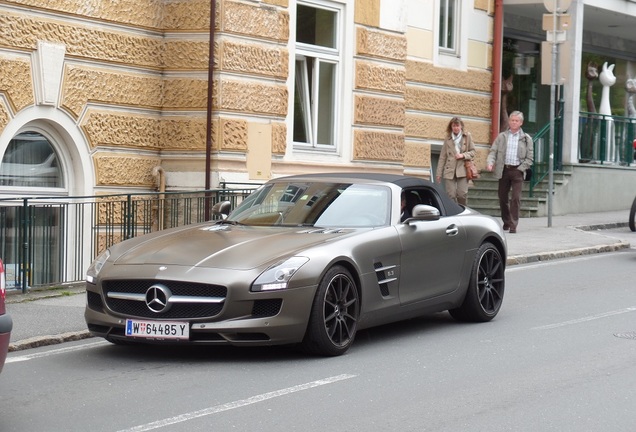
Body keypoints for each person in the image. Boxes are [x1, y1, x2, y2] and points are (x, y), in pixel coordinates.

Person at [486, 110, 534, 233]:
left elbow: (530, 158)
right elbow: (493, 151)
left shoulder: (526, 139)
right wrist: (490, 162)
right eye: (512, 120)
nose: (514, 122)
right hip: (504, 170)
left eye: (516, 121)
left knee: (516, 198)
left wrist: (521, 168)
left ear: (521, 123)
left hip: (518, 171)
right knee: (502, 197)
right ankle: (506, 221)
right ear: (509, 121)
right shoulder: (502, 136)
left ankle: (513, 225)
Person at [435, 117, 476, 206]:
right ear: (451, 127)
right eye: (454, 126)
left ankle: (463, 211)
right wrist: (438, 173)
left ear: (461, 126)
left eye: (457, 125)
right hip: (450, 169)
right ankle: (453, 212)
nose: (456, 128)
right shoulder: (448, 139)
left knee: (462, 194)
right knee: (451, 195)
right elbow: (442, 157)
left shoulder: (467, 136)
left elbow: (473, 152)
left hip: (463, 169)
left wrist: (463, 155)